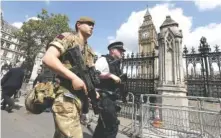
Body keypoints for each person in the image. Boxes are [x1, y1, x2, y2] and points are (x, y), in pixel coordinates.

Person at [42, 16, 97, 138]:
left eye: (93, 25)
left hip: (79, 101)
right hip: (65, 96)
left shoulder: (90, 50)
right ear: (78, 24)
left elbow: (90, 75)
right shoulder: (67, 37)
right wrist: (73, 77)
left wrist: (94, 91)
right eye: (88, 23)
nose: (92, 26)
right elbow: (48, 58)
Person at [93, 41, 126, 138]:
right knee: (112, 125)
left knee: (102, 125)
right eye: (120, 50)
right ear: (112, 50)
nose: (122, 53)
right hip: (103, 97)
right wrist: (110, 75)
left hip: (111, 98)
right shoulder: (103, 60)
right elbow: (95, 74)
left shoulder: (116, 63)